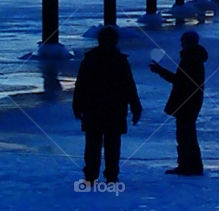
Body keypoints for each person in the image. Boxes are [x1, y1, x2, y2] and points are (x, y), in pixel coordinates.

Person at [73, 25, 142, 185]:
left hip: (93, 108)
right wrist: (135, 107)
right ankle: (111, 176)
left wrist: (77, 105)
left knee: (92, 144)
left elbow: (80, 85)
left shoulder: (90, 59)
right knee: (112, 144)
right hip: (115, 109)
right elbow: (129, 86)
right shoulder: (120, 61)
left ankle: (91, 175)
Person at [149, 30, 207, 176]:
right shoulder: (194, 58)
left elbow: (180, 82)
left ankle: (188, 166)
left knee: (185, 135)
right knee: (187, 134)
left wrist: (160, 71)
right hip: (191, 101)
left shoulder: (190, 60)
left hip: (187, 102)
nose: (181, 44)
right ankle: (191, 165)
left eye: (183, 42)